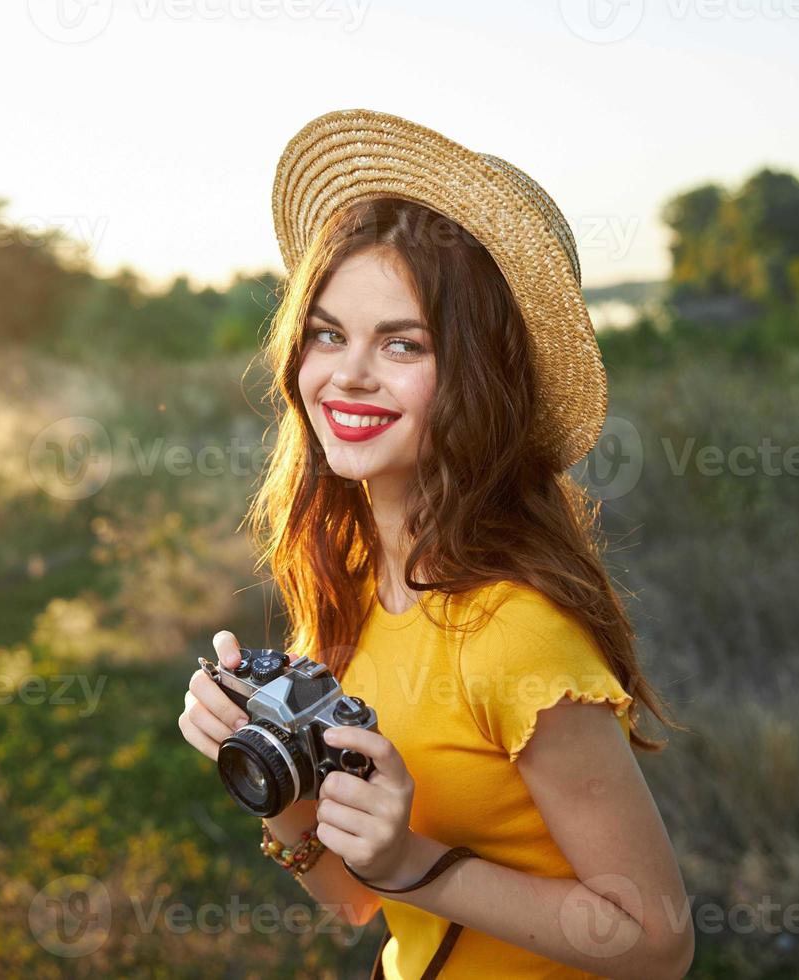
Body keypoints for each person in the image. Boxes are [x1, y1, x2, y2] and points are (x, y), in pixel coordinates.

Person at [179, 108, 693, 980]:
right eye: (329, 333)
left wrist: (412, 862)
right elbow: (358, 902)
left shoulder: (515, 632)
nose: (346, 374)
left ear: (479, 380)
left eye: (403, 344)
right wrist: (270, 773)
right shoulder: (348, 577)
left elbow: (656, 941)